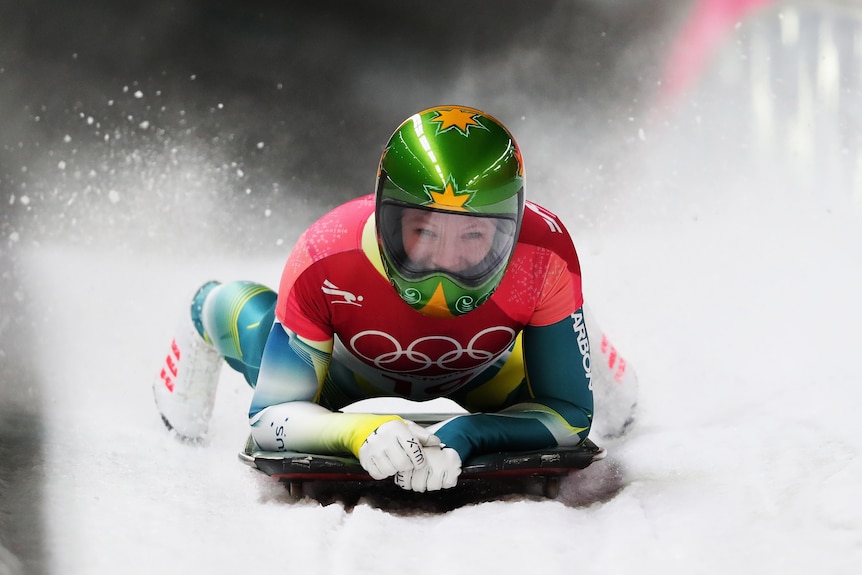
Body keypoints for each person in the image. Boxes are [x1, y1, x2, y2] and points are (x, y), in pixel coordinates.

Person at [153, 105, 637, 493]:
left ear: (511, 227)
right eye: (424, 231)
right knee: (248, 315)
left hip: (481, 366)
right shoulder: (325, 254)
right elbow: (267, 419)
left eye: (473, 235)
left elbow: (571, 416)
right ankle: (208, 306)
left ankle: (573, 329)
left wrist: (468, 434)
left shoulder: (545, 253)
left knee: (564, 321)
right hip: (354, 371)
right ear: (386, 218)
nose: (445, 264)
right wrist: (361, 433)